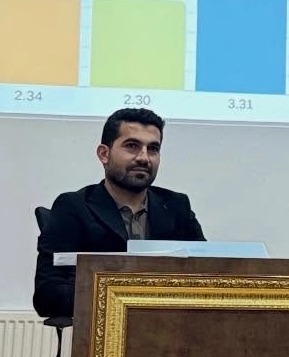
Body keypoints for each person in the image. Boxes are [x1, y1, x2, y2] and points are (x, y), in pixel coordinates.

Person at [33, 108, 205, 318]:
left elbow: (208, 275)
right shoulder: (74, 206)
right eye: (132, 146)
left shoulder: (176, 206)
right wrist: (123, 295)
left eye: (153, 149)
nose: (144, 157)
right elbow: (48, 297)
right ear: (104, 154)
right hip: (104, 330)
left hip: (171, 328)